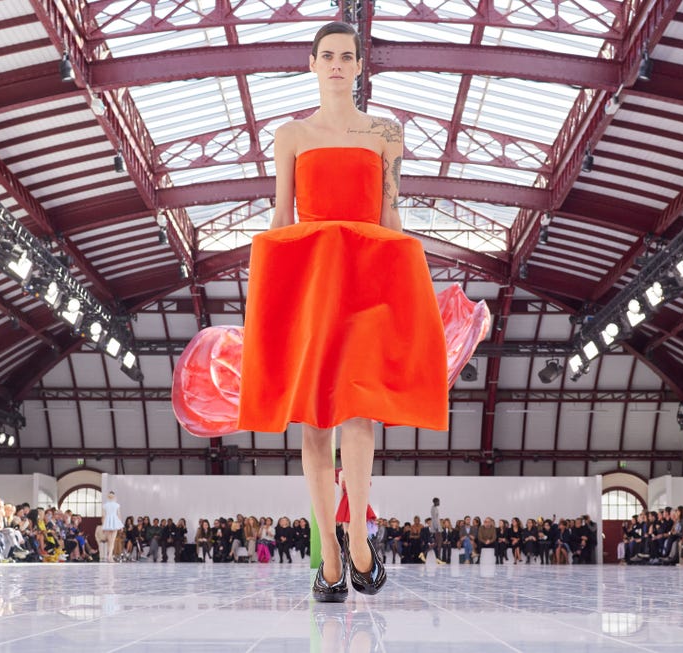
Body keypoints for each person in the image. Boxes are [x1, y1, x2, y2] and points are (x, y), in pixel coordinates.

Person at [234, 21, 449, 602]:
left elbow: (391, 213)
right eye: (325, 55)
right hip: (309, 279)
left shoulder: (386, 132)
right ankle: (328, 546)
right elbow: (282, 215)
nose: (335, 64)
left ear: (359, 66)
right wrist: (267, 295)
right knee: (314, 416)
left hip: (365, 278)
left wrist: (407, 280)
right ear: (311, 63)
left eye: (345, 56)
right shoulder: (291, 135)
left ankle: (357, 537)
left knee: (358, 409)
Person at [101, 491, 121, 563]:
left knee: (110, 541)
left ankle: (109, 556)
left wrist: (103, 526)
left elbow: (103, 516)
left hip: (108, 522)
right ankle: (110, 556)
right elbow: (119, 515)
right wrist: (120, 525)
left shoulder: (105, 505)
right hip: (114, 521)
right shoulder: (117, 505)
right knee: (112, 541)